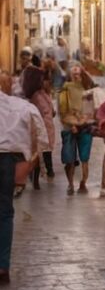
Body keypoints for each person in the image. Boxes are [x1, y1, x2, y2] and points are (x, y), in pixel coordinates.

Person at [1, 69, 49, 283]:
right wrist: (30, 161)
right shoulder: (22, 106)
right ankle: (2, 266)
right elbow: (41, 138)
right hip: (9, 161)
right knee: (5, 212)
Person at [19, 48, 57, 190]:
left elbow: (50, 110)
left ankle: (45, 173)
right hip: (41, 130)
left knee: (45, 151)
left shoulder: (43, 94)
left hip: (48, 128)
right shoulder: (35, 96)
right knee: (38, 154)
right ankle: (36, 178)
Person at [58, 63, 97, 195]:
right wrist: (72, 124)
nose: (75, 72)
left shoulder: (87, 89)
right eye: (73, 70)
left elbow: (91, 109)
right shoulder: (65, 89)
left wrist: (86, 122)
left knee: (84, 158)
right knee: (69, 159)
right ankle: (70, 184)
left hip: (85, 127)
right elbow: (62, 110)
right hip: (70, 128)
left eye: (78, 71)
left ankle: (82, 183)